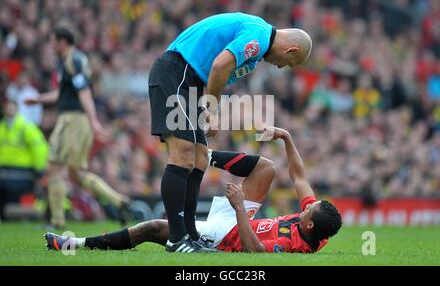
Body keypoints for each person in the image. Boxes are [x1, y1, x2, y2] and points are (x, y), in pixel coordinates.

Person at [148, 12, 313, 252]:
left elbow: (218, 68)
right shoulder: (258, 35)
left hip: (190, 81)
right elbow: (219, 64)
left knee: (200, 159)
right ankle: (177, 239)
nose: (280, 66)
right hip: (178, 71)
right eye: (287, 63)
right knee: (183, 154)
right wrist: (211, 107)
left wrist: (206, 104)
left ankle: (191, 235)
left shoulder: (257, 46)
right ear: (292, 50)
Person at [45, 127, 342, 254]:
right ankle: (204, 155)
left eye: (307, 210)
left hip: (229, 234)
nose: (304, 206)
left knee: (153, 228)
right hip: (242, 219)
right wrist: (286, 138)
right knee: (267, 168)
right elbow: (299, 177)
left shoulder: (294, 245)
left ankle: (75, 244)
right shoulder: (318, 225)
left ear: (310, 224)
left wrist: (239, 206)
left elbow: (256, 251)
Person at [25, 27, 130, 228]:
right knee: (75, 174)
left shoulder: (72, 61)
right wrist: (39, 99)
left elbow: (84, 93)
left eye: (53, 40)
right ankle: (119, 201)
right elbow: (62, 93)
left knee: (53, 167)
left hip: (72, 121)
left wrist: (93, 121)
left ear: (62, 41)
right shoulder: (73, 60)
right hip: (77, 121)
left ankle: (56, 222)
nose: (51, 45)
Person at [0, 99, 48, 219]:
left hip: (22, 172)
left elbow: (39, 147)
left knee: (16, 199)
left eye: (12, 107)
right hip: (4, 170)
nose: (9, 110)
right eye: (7, 107)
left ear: (17, 109)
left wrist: (39, 168)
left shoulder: (26, 126)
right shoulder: (2, 127)